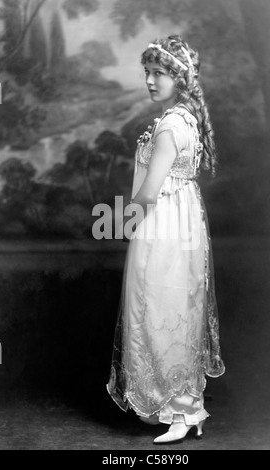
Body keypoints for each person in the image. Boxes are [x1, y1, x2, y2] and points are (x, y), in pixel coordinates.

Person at [107, 34, 225, 444]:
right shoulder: (185, 120)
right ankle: (186, 407)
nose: (151, 81)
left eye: (159, 73)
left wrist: (123, 226)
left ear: (179, 77)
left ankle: (181, 410)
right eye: (147, 73)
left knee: (159, 309)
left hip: (164, 229)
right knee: (176, 307)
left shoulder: (171, 125)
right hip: (184, 224)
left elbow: (147, 194)